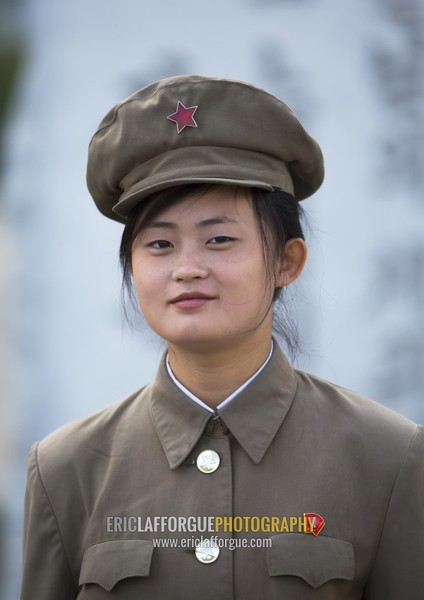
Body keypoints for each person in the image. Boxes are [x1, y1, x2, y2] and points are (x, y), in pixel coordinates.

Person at [21, 75, 424, 599]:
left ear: (286, 261)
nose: (187, 268)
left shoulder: (389, 457)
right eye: (160, 243)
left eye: (219, 239)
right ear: (131, 269)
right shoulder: (64, 468)